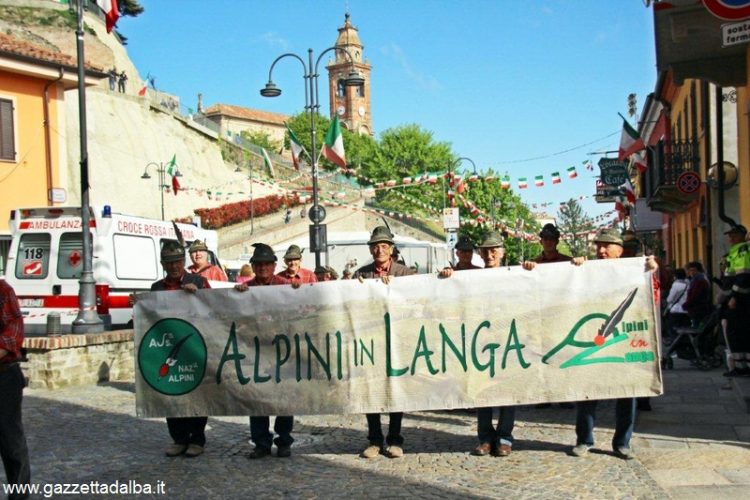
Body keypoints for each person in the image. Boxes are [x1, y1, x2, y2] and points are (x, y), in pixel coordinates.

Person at [571, 228, 659, 460]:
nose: (601, 250)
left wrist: (651, 273)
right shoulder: (586, 270)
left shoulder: (634, 271)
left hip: (623, 342)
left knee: (626, 394)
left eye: (606, 246)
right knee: (588, 393)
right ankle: (584, 439)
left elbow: (653, 297)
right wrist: (575, 268)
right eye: (598, 246)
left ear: (619, 251)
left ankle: (622, 442)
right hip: (594, 340)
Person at [136, 242, 210, 458]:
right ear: (163, 264)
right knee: (171, 393)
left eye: (177, 261)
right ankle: (178, 439)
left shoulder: (198, 281)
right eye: (169, 262)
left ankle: (197, 439)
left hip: (194, 345)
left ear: (184, 262)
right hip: (168, 347)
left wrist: (198, 295)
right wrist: (138, 304)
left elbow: (213, 308)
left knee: (196, 393)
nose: (174, 266)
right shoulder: (157, 288)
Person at [354, 226, 416, 459]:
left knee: (395, 391)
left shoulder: (405, 274)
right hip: (370, 343)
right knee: (371, 391)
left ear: (391, 249)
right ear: (371, 249)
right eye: (375, 246)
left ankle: (395, 439)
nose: (379, 250)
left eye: (384, 246)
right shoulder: (362, 275)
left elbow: (416, 301)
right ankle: (374, 439)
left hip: (397, 340)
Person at [234, 243, 293, 458]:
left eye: (267, 264)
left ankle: (284, 440)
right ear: (253, 266)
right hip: (256, 351)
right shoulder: (246, 289)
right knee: (256, 397)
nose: (263, 268)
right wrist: (238, 295)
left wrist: (297, 292)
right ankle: (261, 442)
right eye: (258, 264)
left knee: (284, 398)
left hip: (282, 350)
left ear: (274, 265)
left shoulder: (285, 286)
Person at [468, 231, 517, 457]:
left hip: (507, 340)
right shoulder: (472, 277)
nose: (490, 254)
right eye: (486, 250)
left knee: (508, 391)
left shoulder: (515, 275)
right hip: (482, 341)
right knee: (483, 392)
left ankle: (504, 437)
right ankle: (485, 438)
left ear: (502, 252)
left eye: (494, 250)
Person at [521, 223, 575, 409]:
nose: (549, 242)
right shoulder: (534, 264)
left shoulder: (568, 262)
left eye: (552, 239)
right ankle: (544, 395)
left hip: (562, 314)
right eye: (546, 239)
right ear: (541, 241)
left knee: (564, 354)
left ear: (556, 241)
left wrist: (579, 264)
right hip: (541, 316)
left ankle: (564, 395)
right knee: (541, 354)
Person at [0, 279, 31, 499]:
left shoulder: (2, 290)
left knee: (10, 441)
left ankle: (19, 495)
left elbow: (12, 334)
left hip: (3, 375)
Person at [723, 224, 750, 377]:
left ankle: (742, 367)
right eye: (730, 235)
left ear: (742, 235)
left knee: (738, 333)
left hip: (740, 301)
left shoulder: (742, 250)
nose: (730, 238)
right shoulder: (735, 251)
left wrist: (734, 297)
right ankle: (740, 365)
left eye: (734, 235)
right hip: (733, 299)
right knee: (736, 334)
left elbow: (744, 276)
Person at [662, 268, 690, 341]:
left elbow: (670, 299)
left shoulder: (676, 284)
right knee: (685, 330)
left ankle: (676, 345)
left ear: (675, 276)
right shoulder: (689, 283)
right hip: (686, 310)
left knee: (673, 330)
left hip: (676, 310)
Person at [683, 261, 711, 327]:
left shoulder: (700, 281)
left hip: (698, 309)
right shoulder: (696, 280)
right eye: (690, 270)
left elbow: (695, 296)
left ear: (699, 270)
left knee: (696, 326)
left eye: (693, 270)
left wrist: (686, 305)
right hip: (697, 308)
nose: (691, 272)